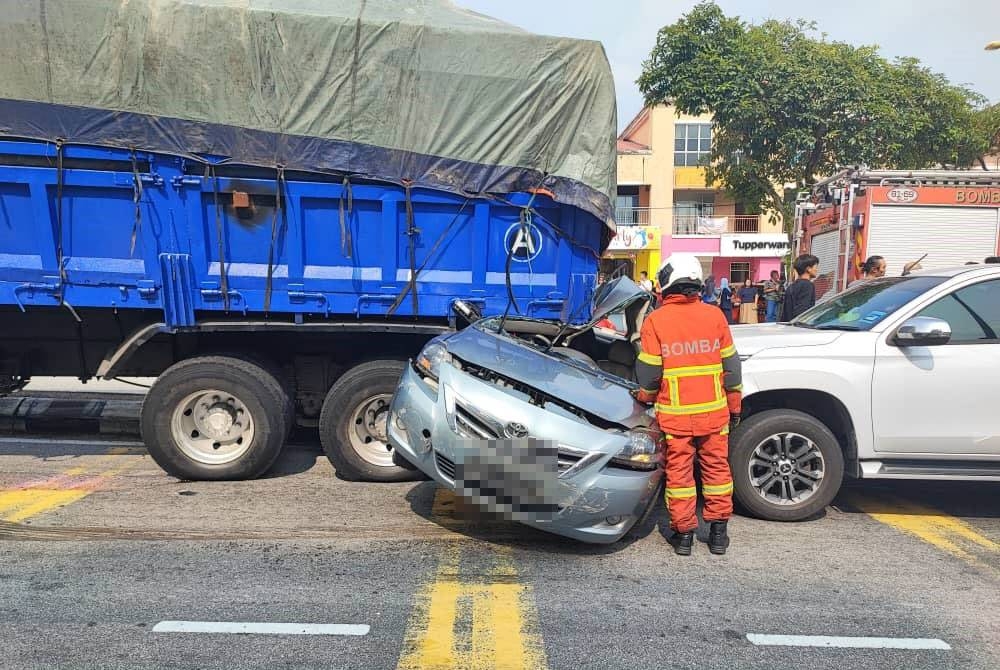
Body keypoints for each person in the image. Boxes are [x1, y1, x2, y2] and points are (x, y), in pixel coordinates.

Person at [634, 254, 742, 556]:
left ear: (667, 284)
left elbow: (649, 373)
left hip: (676, 416)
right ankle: (718, 534)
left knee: (680, 474)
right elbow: (731, 367)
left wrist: (644, 396)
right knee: (717, 470)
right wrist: (734, 404)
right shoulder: (715, 316)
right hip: (714, 413)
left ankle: (684, 537)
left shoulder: (656, 320)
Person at [781, 254, 819, 321]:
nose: (817, 270)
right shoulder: (808, 285)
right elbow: (803, 311)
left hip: (788, 326)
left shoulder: (791, 286)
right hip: (800, 327)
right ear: (808, 269)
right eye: (815, 267)